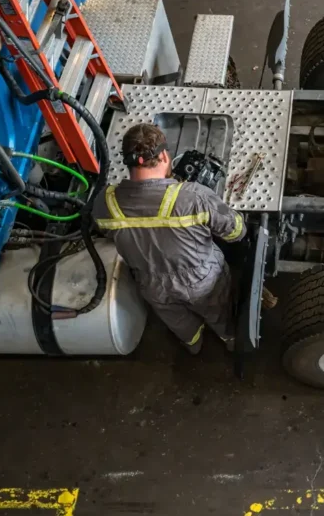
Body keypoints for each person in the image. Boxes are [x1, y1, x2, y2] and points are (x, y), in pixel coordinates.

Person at [93, 122, 246, 354]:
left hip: (150, 283)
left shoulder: (106, 202)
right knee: (217, 311)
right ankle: (228, 337)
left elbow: (105, 232)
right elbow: (236, 232)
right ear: (164, 155)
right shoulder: (194, 196)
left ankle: (193, 344)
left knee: (177, 319)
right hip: (201, 279)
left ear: (128, 161)